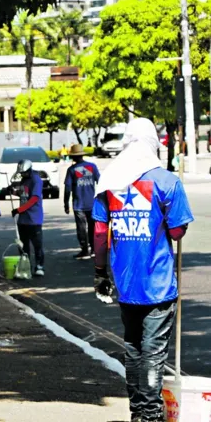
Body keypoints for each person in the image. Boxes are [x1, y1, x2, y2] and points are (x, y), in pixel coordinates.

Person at [92, 118, 193, 422]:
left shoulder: (109, 180)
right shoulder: (167, 181)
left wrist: (100, 272)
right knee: (152, 354)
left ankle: (138, 411)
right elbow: (176, 233)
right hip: (158, 283)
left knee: (134, 350)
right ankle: (149, 415)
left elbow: (99, 232)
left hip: (126, 283)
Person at [64, 144, 101, 260]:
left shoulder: (71, 170)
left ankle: (84, 250)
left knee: (81, 228)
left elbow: (67, 189)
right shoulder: (92, 166)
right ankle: (94, 250)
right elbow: (101, 182)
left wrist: (66, 203)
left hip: (78, 204)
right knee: (92, 227)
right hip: (92, 203)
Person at [11, 159, 45, 277]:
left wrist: (19, 210)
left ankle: (39, 266)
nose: (22, 175)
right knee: (23, 245)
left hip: (34, 218)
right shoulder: (24, 179)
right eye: (21, 173)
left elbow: (34, 198)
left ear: (29, 170)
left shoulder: (36, 180)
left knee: (37, 244)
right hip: (23, 219)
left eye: (24, 173)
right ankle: (26, 266)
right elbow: (24, 194)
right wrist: (13, 192)